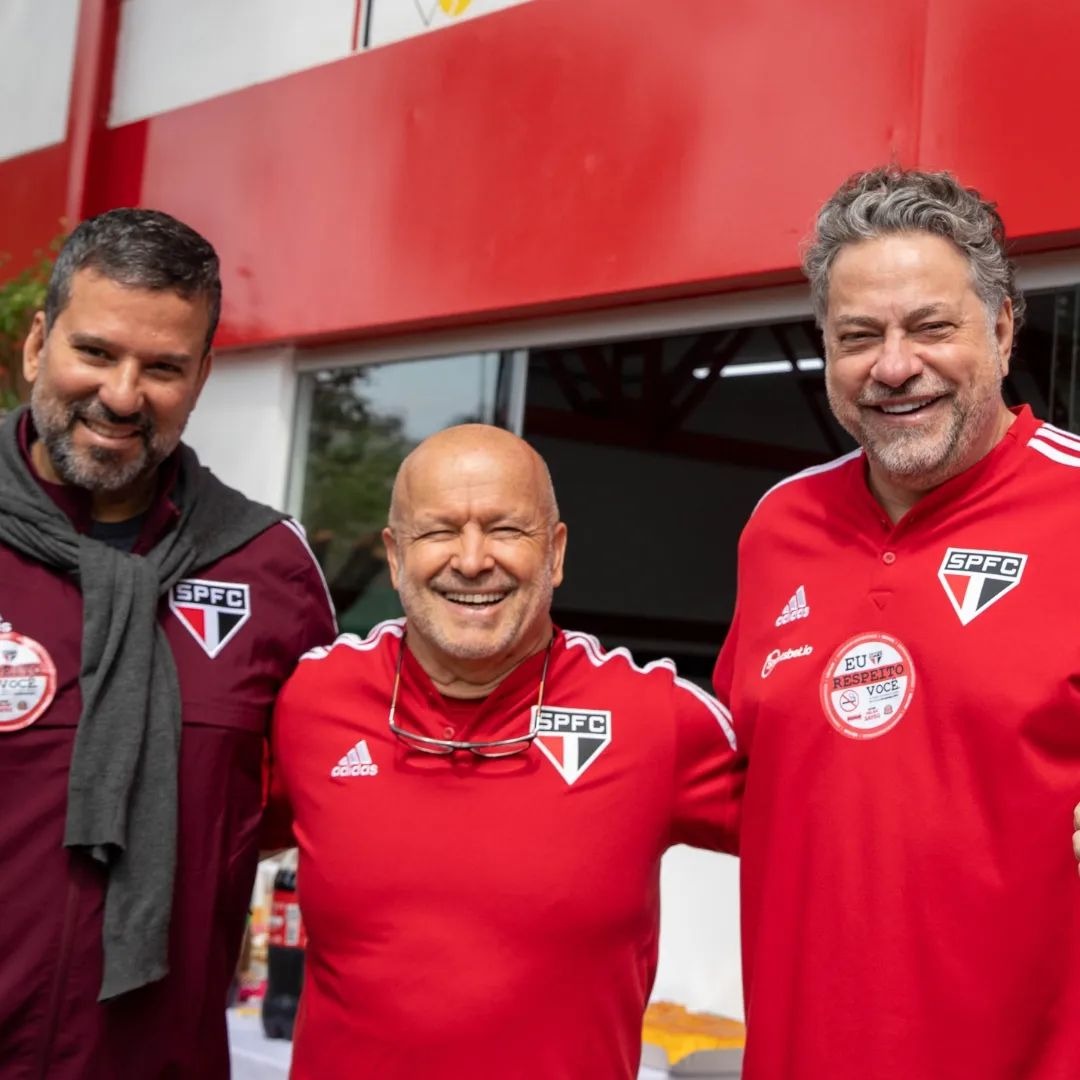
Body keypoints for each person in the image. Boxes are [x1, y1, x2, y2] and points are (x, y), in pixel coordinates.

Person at [713, 167, 1080, 1080]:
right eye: (858, 336)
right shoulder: (776, 529)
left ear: (1000, 329)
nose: (892, 365)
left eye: (930, 326)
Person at [267, 423, 745, 1079]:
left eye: (505, 530)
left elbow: (844, 843)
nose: (470, 560)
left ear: (555, 552)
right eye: (438, 531)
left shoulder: (656, 718)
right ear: (395, 555)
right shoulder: (309, 703)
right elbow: (203, 846)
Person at [0, 208, 337, 1079]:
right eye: (97, 352)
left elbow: (299, 802)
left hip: (153, 1057)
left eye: (162, 368)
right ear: (39, 344)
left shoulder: (270, 570)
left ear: (202, 377)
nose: (121, 395)